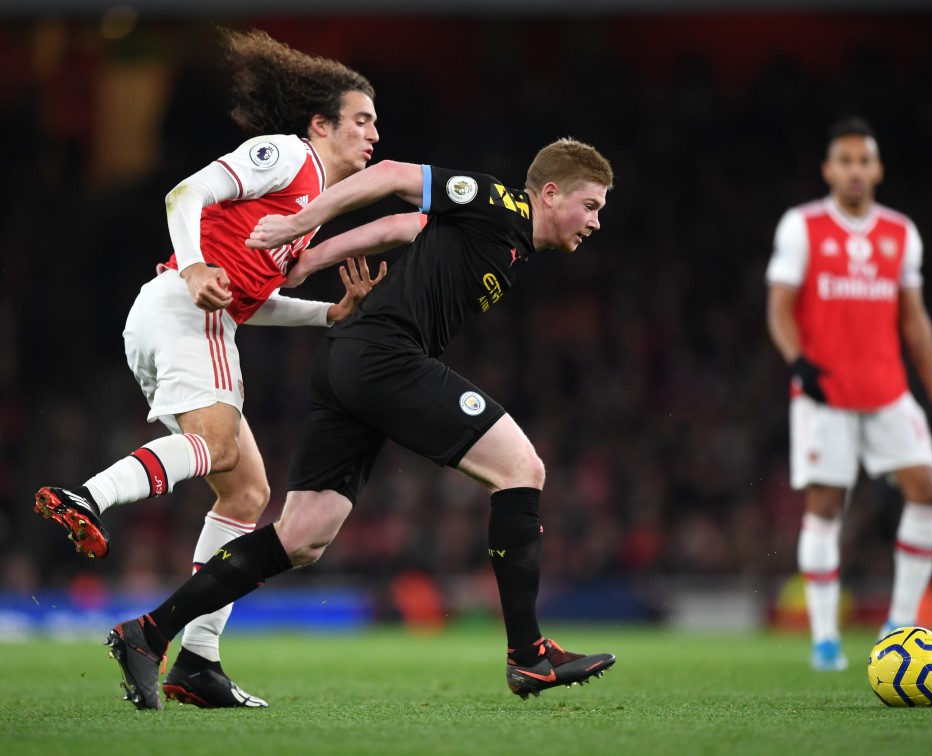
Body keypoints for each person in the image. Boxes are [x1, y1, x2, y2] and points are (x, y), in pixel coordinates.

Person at [103, 138, 618, 710]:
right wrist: (301, 221)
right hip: (384, 355)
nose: (596, 222)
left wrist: (308, 262)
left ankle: (147, 634)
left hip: (347, 358)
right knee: (522, 469)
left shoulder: (507, 239)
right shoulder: (501, 204)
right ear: (549, 193)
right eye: (591, 206)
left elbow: (401, 226)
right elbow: (394, 176)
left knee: (302, 537)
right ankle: (528, 653)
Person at [33, 28, 397, 708]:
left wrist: (328, 316)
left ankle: (197, 659)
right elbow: (183, 195)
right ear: (321, 124)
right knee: (223, 447)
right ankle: (88, 497)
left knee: (247, 494)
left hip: (191, 315)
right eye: (361, 120)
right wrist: (196, 263)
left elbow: (252, 302)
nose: (374, 134)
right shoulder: (287, 157)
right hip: (182, 305)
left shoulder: (307, 211)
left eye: (376, 123)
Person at [765, 117, 932, 671]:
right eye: (844, 161)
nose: (854, 170)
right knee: (826, 506)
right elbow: (780, 308)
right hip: (825, 391)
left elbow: (916, 321)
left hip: (887, 390)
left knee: (928, 490)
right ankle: (825, 638)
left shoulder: (901, 232)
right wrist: (799, 363)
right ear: (829, 169)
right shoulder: (802, 226)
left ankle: (900, 622)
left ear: (877, 169)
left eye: (863, 161)